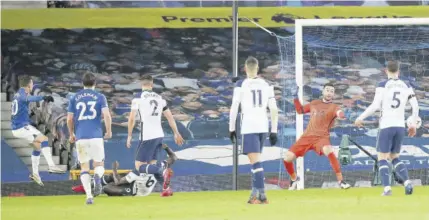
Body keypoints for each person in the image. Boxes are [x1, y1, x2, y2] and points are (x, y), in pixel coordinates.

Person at [355, 60, 419, 196]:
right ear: (399, 71)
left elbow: (375, 105)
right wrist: (413, 123)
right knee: (395, 156)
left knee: (382, 158)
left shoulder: (383, 85)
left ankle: (387, 189)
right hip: (400, 126)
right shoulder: (406, 85)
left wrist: (360, 117)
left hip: (386, 125)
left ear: (386, 71)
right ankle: (407, 182)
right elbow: (415, 105)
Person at [229, 56, 279, 204]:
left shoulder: (240, 84)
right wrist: (274, 130)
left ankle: (262, 195)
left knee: (256, 162)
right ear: (258, 68)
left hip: (249, 126)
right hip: (263, 126)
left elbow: (234, 108)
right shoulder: (267, 84)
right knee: (254, 161)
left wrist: (231, 128)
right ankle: (253, 195)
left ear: (245, 68)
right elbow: (274, 109)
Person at [283, 83, 351, 190]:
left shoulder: (334, 107)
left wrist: (342, 115)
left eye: (332, 91)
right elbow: (300, 110)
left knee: (328, 150)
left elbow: (339, 112)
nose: (329, 93)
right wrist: (295, 98)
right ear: (323, 92)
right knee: (287, 158)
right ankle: (294, 178)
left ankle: (341, 181)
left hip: (321, 138)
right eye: (327, 90)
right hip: (307, 137)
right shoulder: (314, 103)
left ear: (333, 95)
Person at [127, 75, 184, 197]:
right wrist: (176, 133)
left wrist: (129, 135)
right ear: (152, 84)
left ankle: (163, 170)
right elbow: (170, 117)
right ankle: (166, 188)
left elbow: (132, 118)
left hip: (147, 135)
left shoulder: (138, 98)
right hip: (159, 134)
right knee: (151, 165)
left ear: (141, 84)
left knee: (139, 166)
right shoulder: (160, 98)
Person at [67, 72, 112, 204]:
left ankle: (89, 196)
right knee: (99, 163)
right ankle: (97, 176)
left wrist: (71, 134)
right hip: (96, 136)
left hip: (81, 137)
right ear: (95, 83)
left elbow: (69, 118)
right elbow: (107, 116)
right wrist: (108, 131)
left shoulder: (74, 97)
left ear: (82, 83)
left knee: (84, 168)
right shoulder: (100, 96)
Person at [11, 75, 65, 186]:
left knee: (37, 146)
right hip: (21, 127)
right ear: (28, 85)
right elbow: (29, 99)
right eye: (31, 83)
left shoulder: (18, 93)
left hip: (18, 128)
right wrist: (43, 98)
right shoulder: (22, 94)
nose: (32, 85)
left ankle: (35, 174)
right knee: (44, 139)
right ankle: (51, 166)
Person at [72, 144, 178, 197]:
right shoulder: (160, 165)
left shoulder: (138, 171)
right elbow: (173, 157)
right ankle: (91, 185)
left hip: (134, 191)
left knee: (107, 187)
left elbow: (118, 182)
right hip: (139, 186)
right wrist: (166, 148)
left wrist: (114, 169)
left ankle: (90, 187)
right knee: (114, 178)